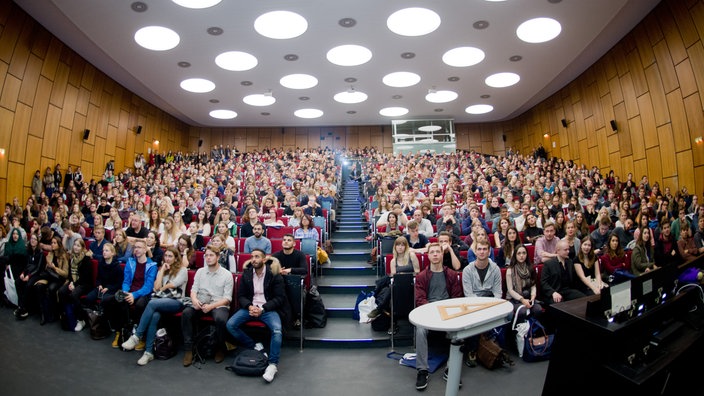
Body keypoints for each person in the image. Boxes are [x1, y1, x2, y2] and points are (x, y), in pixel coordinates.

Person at [227, 249, 287, 383]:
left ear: (264, 260)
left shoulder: (274, 275)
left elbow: (279, 298)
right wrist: (249, 306)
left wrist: (262, 309)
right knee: (231, 325)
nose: (253, 259)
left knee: (277, 330)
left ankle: (272, 364)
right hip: (250, 308)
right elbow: (241, 296)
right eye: (252, 257)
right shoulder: (247, 274)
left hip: (267, 310)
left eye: (257, 257)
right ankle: (254, 345)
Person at [122, 247, 187, 365]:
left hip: (176, 301)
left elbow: (173, 284)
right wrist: (162, 271)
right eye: (166, 256)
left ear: (176, 258)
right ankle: (148, 352)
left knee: (151, 303)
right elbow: (156, 287)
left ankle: (137, 336)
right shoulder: (163, 268)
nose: (167, 258)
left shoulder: (183, 270)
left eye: (170, 256)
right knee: (155, 316)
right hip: (161, 301)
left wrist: (163, 287)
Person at [413, 243, 463, 391]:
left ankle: (451, 368)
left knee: (459, 330)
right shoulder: (422, 276)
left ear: (442, 255)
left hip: (447, 313)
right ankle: (422, 370)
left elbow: (456, 298)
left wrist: (445, 312)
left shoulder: (452, 275)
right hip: (428, 313)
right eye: (432, 252)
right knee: (420, 330)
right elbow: (420, 300)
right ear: (428, 255)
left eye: (438, 252)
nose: (435, 254)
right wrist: (433, 312)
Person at [181, 245, 233, 367]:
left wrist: (211, 306)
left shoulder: (226, 274)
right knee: (186, 314)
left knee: (220, 319)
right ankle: (189, 349)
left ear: (218, 257)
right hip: (201, 301)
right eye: (206, 255)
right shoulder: (200, 272)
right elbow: (194, 290)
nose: (208, 258)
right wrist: (194, 300)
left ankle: (220, 347)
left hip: (218, 304)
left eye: (211, 255)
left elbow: (227, 299)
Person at [104, 239, 157, 348]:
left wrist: (134, 295)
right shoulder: (130, 262)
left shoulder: (152, 265)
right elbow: (126, 281)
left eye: (139, 247)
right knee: (110, 301)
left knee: (140, 305)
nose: (136, 250)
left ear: (145, 250)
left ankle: (140, 335)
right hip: (129, 291)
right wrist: (125, 292)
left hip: (143, 293)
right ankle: (120, 331)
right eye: (135, 247)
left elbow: (148, 287)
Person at [271, 233, 308, 328]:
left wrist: (289, 270)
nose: (286, 242)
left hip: (294, 284)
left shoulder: (300, 255)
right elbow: (269, 270)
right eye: (284, 240)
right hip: (279, 284)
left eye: (289, 240)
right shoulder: (276, 255)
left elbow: (304, 270)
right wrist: (277, 270)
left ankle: (296, 317)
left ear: (294, 244)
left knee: (293, 292)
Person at [57, 238, 94, 332]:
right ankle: (68, 314)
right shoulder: (72, 258)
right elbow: (70, 274)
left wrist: (75, 284)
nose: (76, 247)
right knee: (61, 291)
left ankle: (81, 319)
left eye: (78, 245)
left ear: (82, 247)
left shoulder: (86, 259)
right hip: (74, 282)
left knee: (74, 294)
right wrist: (71, 283)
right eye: (75, 245)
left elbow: (86, 277)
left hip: (85, 284)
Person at [34, 235, 69, 325]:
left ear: (59, 244)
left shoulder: (64, 256)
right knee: (39, 286)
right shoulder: (50, 254)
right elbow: (47, 268)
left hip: (59, 278)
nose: (52, 245)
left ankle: (53, 313)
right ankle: (43, 313)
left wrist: (54, 268)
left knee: (51, 288)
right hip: (50, 277)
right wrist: (49, 266)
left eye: (54, 243)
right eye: (51, 243)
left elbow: (65, 273)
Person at [540, 240, 586, 304]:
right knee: (560, 304)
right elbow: (544, 283)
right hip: (555, 291)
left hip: (567, 290)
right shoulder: (549, 264)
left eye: (568, 249)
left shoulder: (569, 262)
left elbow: (575, 279)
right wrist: (553, 293)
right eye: (565, 250)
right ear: (558, 250)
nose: (568, 252)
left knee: (584, 298)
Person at [82, 243, 123, 313]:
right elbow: (98, 278)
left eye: (107, 251)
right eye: (103, 250)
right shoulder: (101, 263)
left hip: (111, 290)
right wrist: (99, 285)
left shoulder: (117, 267)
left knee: (104, 300)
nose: (104, 252)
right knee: (88, 298)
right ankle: (93, 313)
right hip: (101, 287)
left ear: (112, 253)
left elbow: (119, 283)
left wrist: (108, 288)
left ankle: (101, 316)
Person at [505, 245, 542, 321]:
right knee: (523, 311)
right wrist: (522, 300)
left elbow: (533, 285)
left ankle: (533, 330)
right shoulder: (510, 270)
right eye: (519, 253)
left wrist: (532, 297)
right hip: (514, 299)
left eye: (524, 253)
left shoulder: (530, 268)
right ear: (515, 255)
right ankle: (519, 331)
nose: (521, 256)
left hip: (528, 297)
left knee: (538, 309)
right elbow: (510, 290)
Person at [13, 233, 44, 319]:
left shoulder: (40, 253)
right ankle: (21, 305)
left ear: (37, 242)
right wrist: (23, 273)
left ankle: (23, 307)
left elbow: (38, 268)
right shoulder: (29, 251)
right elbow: (26, 265)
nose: (32, 240)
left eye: (35, 239)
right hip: (29, 272)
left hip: (37, 274)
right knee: (17, 282)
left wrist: (29, 276)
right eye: (31, 239)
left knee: (28, 285)